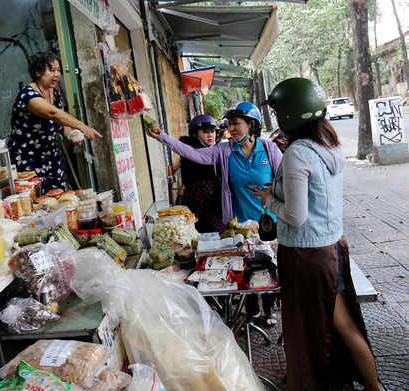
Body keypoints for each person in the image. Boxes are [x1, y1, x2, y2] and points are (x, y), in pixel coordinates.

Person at [256, 78, 380, 390]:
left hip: (307, 255)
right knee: (339, 323)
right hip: (331, 247)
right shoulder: (328, 144)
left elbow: (296, 216)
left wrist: (268, 199)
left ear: (288, 115)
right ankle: (365, 385)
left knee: (320, 327)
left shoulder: (298, 152)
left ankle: (367, 386)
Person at [145, 101, 282, 325]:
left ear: (252, 124)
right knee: (245, 268)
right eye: (230, 125)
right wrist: (163, 137)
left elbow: (285, 181)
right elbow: (193, 154)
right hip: (239, 227)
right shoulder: (225, 150)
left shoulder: (269, 149)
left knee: (268, 267)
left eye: (236, 124)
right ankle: (252, 310)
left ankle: (269, 309)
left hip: (270, 223)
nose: (232, 129)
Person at [9, 51, 102, 192]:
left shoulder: (55, 94)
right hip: (27, 156)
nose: (57, 75)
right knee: (36, 199)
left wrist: (71, 134)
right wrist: (82, 126)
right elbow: (53, 114)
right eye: (52, 70)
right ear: (38, 72)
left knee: (57, 195)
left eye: (58, 70)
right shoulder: (27, 95)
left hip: (50, 155)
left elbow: (58, 124)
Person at [177, 114, 225, 233]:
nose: (210, 135)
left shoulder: (218, 149)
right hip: (198, 200)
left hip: (215, 200)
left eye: (212, 131)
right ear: (194, 133)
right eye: (205, 132)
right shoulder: (189, 150)